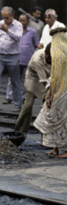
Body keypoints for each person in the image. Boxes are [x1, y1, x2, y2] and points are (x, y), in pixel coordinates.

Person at [34, 27, 67, 157]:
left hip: (61, 92)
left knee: (61, 120)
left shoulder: (60, 55)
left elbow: (56, 77)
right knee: (56, 119)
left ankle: (65, 149)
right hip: (59, 91)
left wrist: (50, 96)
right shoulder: (60, 53)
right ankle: (56, 148)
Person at [0, 6, 23, 111]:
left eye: (7, 18)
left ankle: (17, 105)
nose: (5, 20)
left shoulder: (18, 25)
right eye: (4, 18)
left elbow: (18, 38)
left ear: (13, 15)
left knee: (15, 80)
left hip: (13, 55)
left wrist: (7, 30)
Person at [14, 46, 50, 133]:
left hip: (48, 79)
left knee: (49, 107)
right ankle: (19, 131)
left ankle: (46, 134)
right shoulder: (37, 58)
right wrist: (49, 94)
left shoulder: (55, 55)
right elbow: (44, 80)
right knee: (28, 105)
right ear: (47, 54)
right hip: (33, 80)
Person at [7, 12, 39, 103]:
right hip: (15, 58)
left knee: (26, 79)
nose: (22, 22)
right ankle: (9, 97)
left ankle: (24, 97)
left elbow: (36, 44)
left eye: (24, 21)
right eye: (20, 20)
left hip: (27, 59)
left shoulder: (32, 32)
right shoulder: (13, 31)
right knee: (12, 78)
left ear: (27, 21)